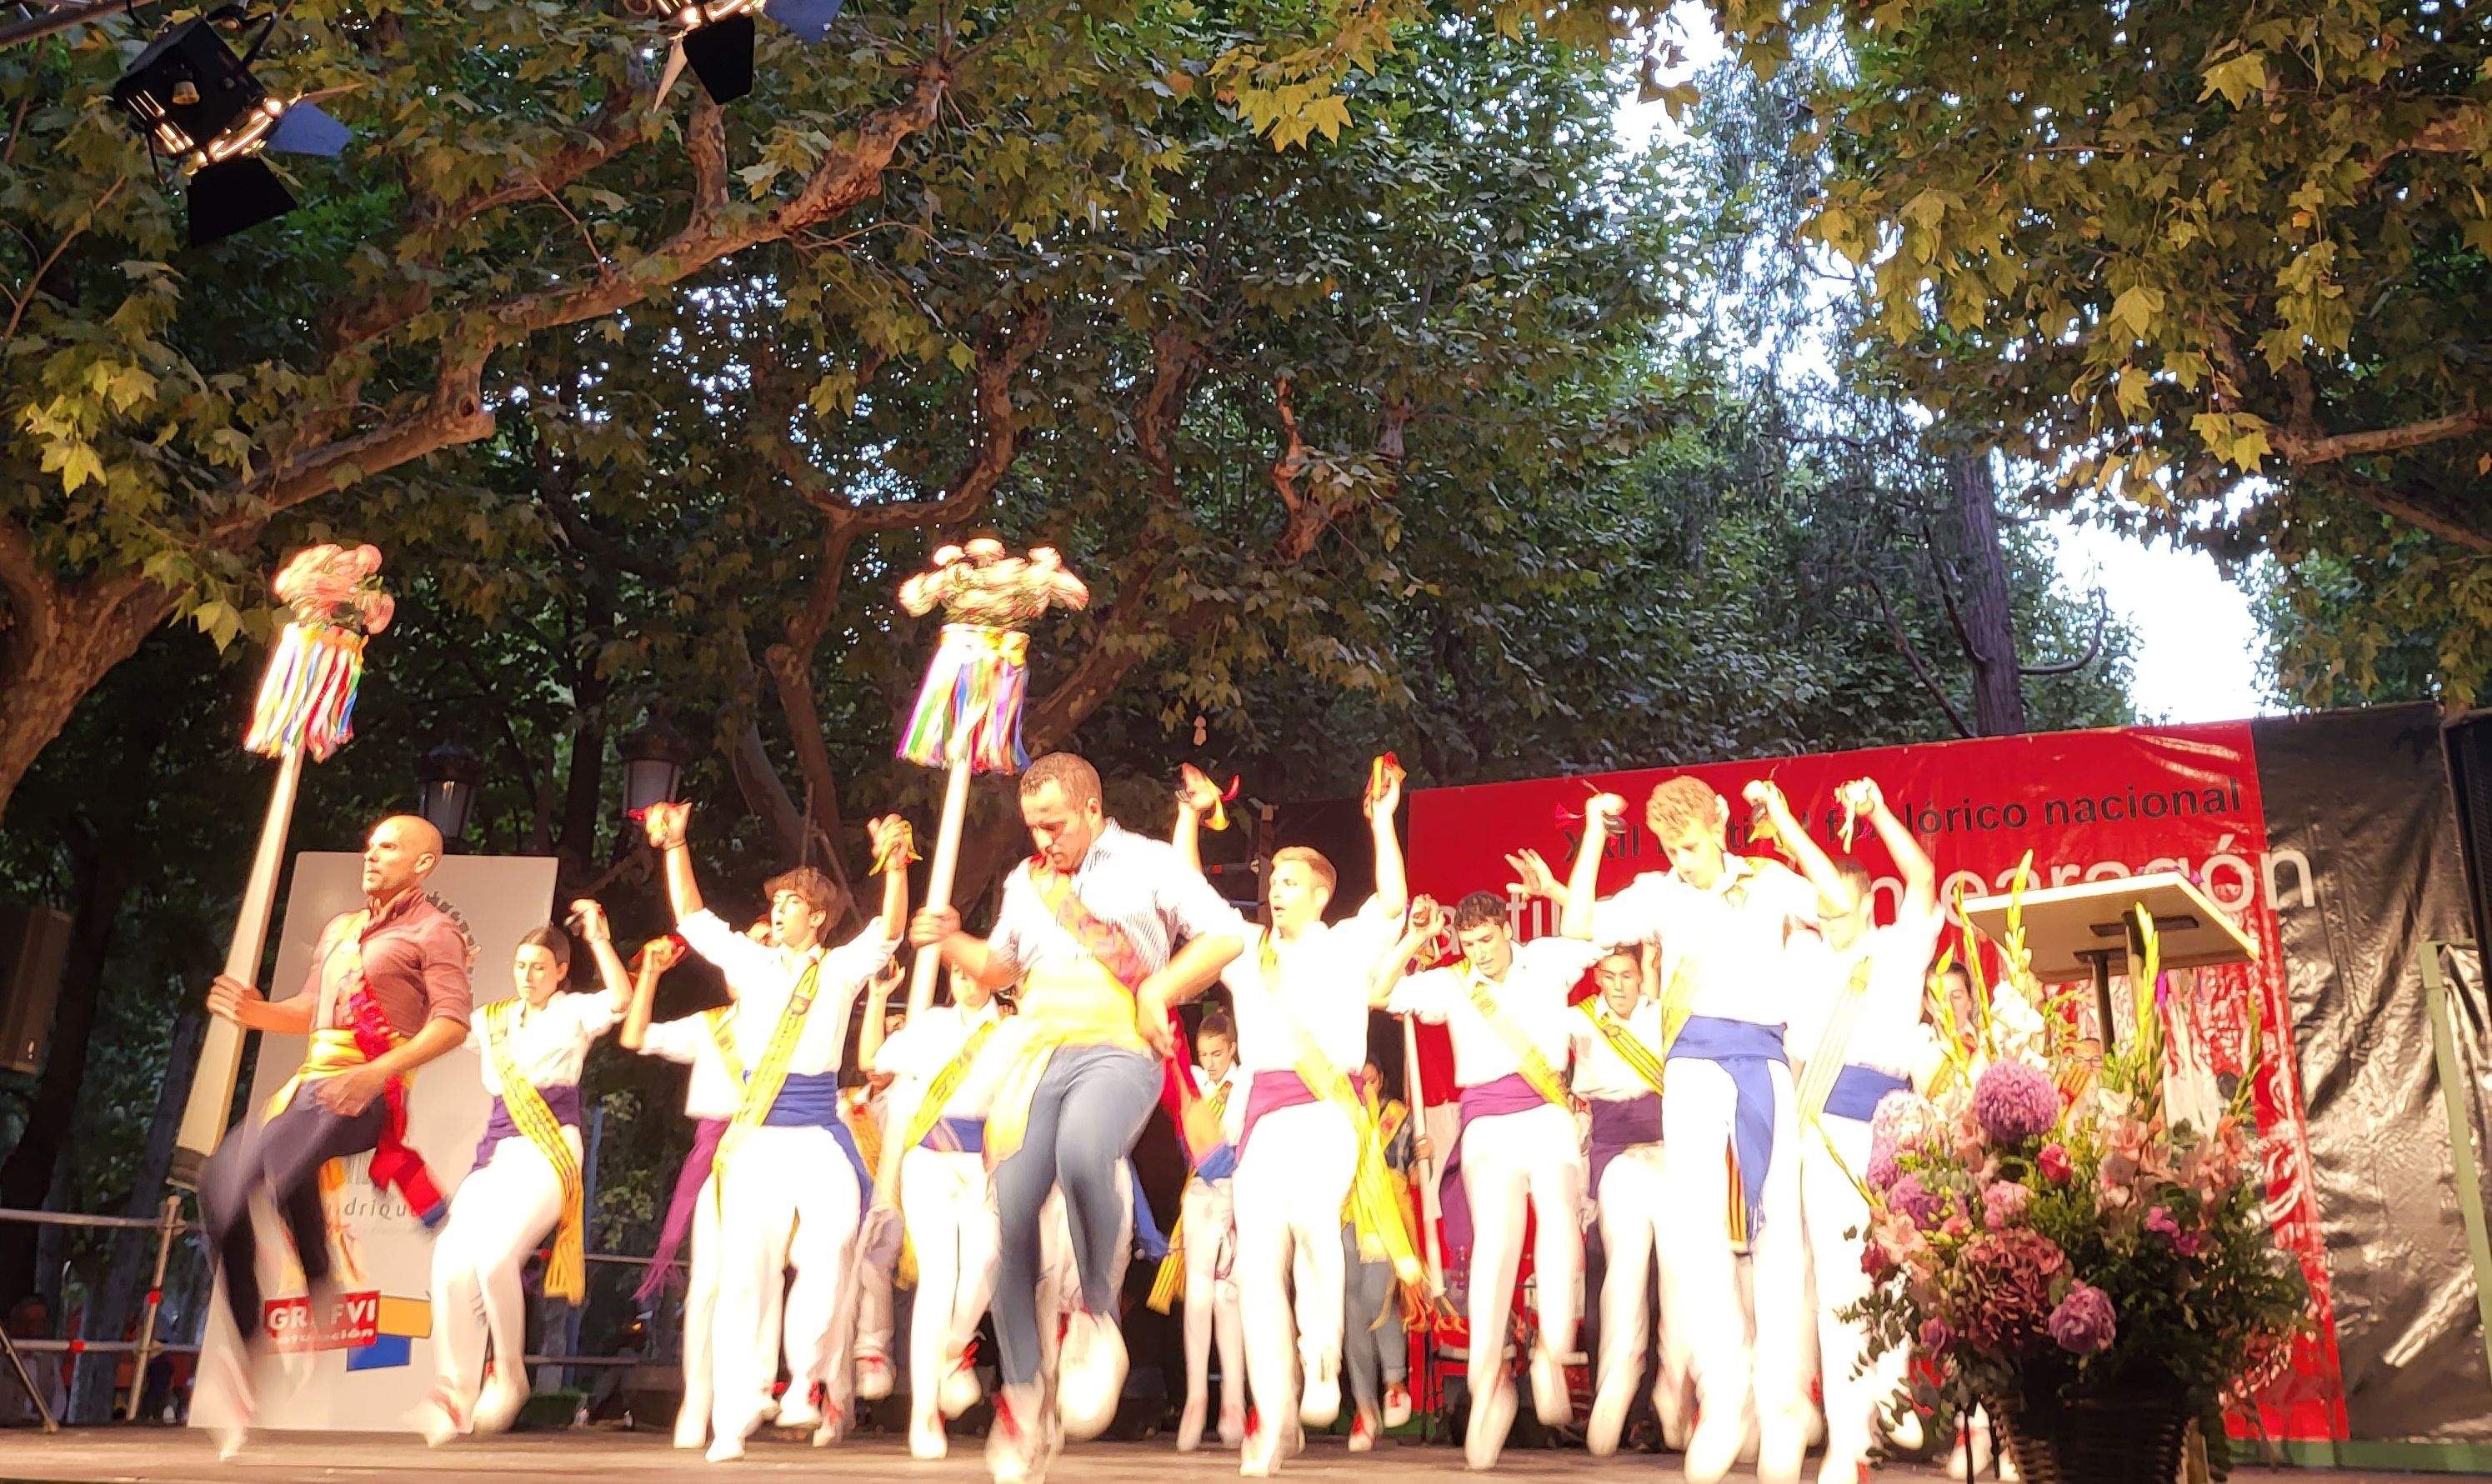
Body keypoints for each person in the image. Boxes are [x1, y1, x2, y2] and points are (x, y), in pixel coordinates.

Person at [910, 751, 1246, 1484]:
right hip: (1038, 1052)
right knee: (1012, 1219)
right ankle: (1026, 1391)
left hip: (1121, 1044)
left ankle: (1098, 1314)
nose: (1043, 840)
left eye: (1054, 824)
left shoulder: (1147, 863)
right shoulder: (1025, 882)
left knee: (1086, 1147)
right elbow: (1000, 968)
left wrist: (1158, 990)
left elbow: (1225, 935)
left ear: (1092, 808)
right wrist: (947, 938)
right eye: (1033, 825)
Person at [1579, 777, 1858, 1484]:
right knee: (1698, 1231)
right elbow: (1581, 923)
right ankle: (1727, 1395)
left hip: (1762, 1061)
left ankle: (1782, 1399)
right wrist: (1591, 830)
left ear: (1722, 822)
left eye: (1693, 844)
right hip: (1691, 1068)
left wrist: (1788, 822)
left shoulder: (1765, 881)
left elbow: (1843, 908)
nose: (1683, 859)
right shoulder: (1660, 890)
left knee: (1778, 1234)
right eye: (1672, 847)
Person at [1159, 764, 1411, 1474]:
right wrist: (1189, 812)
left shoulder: (1346, 943)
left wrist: (1382, 819)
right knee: (1261, 1256)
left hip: (1329, 1112)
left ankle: (1322, 1357)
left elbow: (1391, 898)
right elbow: (1190, 892)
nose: (1276, 889)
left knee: (1310, 1225)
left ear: (1323, 893)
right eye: (1274, 881)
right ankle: (1272, 1407)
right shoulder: (1248, 951)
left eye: (1291, 882)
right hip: (1263, 1120)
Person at [196, 816, 473, 1457]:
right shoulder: (341, 928)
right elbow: (310, 1008)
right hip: (311, 1084)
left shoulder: (434, 931)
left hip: (370, 1090)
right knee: (221, 1190)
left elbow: (452, 1024)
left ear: (425, 863)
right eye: (370, 845)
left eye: (390, 847)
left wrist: (376, 1072)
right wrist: (253, 1010)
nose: (372, 855)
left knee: (277, 1169)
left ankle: (316, 1280)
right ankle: (253, 1356)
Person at [642, 802, 910, 1462]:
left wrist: (896, 865)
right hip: (756, 1138)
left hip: (818, 1132)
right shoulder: (751, 964)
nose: (780, 911)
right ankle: (738, 1409)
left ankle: (805, 1381)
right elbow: (694, 919)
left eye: (791, 903)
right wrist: (675, 846)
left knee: (833, 1245)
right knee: (745, 1273)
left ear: (816, 916)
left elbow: (890, 931)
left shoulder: (841, 969)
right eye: (778, 903)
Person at [1369, 809, 1605, 1472]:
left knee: (1559, 1214)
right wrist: (1412, 938)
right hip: (1486, 1124)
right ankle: (1488, 1378)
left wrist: (1588, 835)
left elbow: (1583, 924)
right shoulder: (1449, 982)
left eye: (1486, 939)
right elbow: (1378, 991)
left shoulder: (1545, 961)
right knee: (1499, 1241)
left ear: (1507, 928)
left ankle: (1554, 1350)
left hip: (1548, 1113)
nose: (1478, 951)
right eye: (1467, 941)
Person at [417, 899, 633, 1444]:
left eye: (540, 966)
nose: (528, 975)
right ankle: (455, 1387)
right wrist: (444, 965)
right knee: (450, 1264)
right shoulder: (489, 1020)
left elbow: (622, 999)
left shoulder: (574, 1011)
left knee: (496, 1259)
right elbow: (430, 1024)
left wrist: (600, 939)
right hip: (496, 1155)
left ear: (561, 970)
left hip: (550, 1150)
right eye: (520, 965)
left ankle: (510, 1375)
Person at [1784, 778, 1944, 1484]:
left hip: (1893, 1121)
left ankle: (1894, 1381)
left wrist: (1875, 809)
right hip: (1823, 1126)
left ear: (1866, 900)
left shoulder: (1899, 946)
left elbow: (1923, 874)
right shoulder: (1801, 957)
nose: (1828, 913)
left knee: (1900, 1263)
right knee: (1838, 1281)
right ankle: (1847, 1440)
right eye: (1820, 905)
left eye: (1839, 901)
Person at [869, 967, 1011, 1459]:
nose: (965, 981)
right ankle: (924, 1412)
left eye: (974, 972)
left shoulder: (1013, 1030)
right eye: (956, 972)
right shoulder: (930, 1023)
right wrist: (878, 996)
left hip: (983, 1162)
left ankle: (955, 1350)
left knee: (987, 1263)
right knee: (939, 1278)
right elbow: (875, 1060)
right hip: (927, 1158)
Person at [619, 932, 751, 1453]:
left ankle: (754, 1396)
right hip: (718, 1155)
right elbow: (635, 1037)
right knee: (709, 1287)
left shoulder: (803, 1027)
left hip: (777, 1148)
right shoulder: (711, 1025)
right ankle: (698, 1399)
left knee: (758, 1285)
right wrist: (650, 973)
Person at [1569, 942, 1679, 1458]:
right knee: (1611, 1283)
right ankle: (1610, 1399)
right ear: (1597, 979)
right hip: (1611, 1159)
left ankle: (1660, 1414)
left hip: (1666, 1155)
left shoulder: (1663, 1016)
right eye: (1608, 975)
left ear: (1642, 977)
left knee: (1667, 1288)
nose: (1618, 985)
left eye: (1628, 975)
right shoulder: (1582, 1021)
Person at [1168, 1010, 1247, 1452]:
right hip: (1198, 1191)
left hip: (1236, 1190)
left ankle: (1233, 1401)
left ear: (1232, 1048)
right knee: (1197, 1298)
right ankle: (1196, 1399)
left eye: (1218, 1053)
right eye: (1204, 1055)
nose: (1211, 1062)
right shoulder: (1194, 1081)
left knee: (1228, 1297)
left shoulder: (1249, 1081)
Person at [1340, 1061, 1417, 1452]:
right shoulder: (1334, 1112)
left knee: (1378, 1297)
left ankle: (1394, 1380)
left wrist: (1426, 1157)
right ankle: (1365, 1408)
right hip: (1346, 1212)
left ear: (1381, 1078)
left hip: (1387, 1215)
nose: (1364, 1086)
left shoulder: (1398, 1117)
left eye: (1369, 1078)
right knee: (1351, 1310)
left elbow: (1417, 1173)